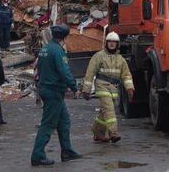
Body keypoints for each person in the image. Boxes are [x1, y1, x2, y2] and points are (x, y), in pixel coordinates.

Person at [31, 25, 81, 166]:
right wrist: (74, 87)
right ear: (65, 37)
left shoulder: (45, 49)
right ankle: (37, 155)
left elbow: (39, 69)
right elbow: (64, 71)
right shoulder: (58, 51)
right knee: (48, 124)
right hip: (54, 91)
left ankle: (67, 151)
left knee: (64, 121)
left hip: (48, 89)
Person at [82, 32, 134, 143]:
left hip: (113, 88)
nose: (111, 44)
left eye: (114, 42)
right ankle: (113, 133)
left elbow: (126, 75)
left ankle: (97, 132)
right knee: (109, 110)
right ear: (106, 43)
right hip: (101, 86)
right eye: (110, 41)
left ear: (117, 44)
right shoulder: (99, 56)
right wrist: (86, 90)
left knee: (104, 111)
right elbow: (90, 73)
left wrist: (129, 88)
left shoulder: (121, 59)